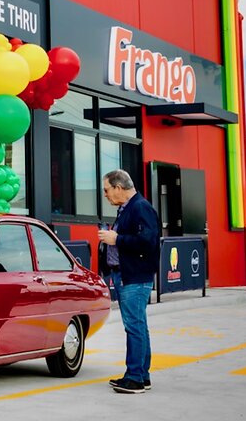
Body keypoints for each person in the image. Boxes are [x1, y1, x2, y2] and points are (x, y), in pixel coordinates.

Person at [97, 169, 160, 394]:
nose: (105, 195)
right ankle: (141, 375)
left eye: (107, 190)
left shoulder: (140, 207)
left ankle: (134, 378)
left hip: (134, 276)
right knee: (138, 326)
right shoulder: (128, 208)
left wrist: (117, 238)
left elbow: (148, 241)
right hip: (128, 275)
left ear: (118, 187)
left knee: (134, 326)